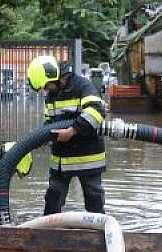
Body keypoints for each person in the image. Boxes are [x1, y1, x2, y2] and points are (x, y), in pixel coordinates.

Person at [26, 55, 106, 214]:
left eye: (46, 85)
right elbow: (49, 122)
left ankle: (97, 235)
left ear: (55, 77)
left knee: (94, 203)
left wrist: (72, 131)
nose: (46, 90)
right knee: (52, 204)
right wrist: (42, 137)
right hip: (61, 160)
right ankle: (50, 235)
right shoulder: (51, 97)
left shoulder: (83, 86)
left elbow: (96, 111)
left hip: (88, 157)